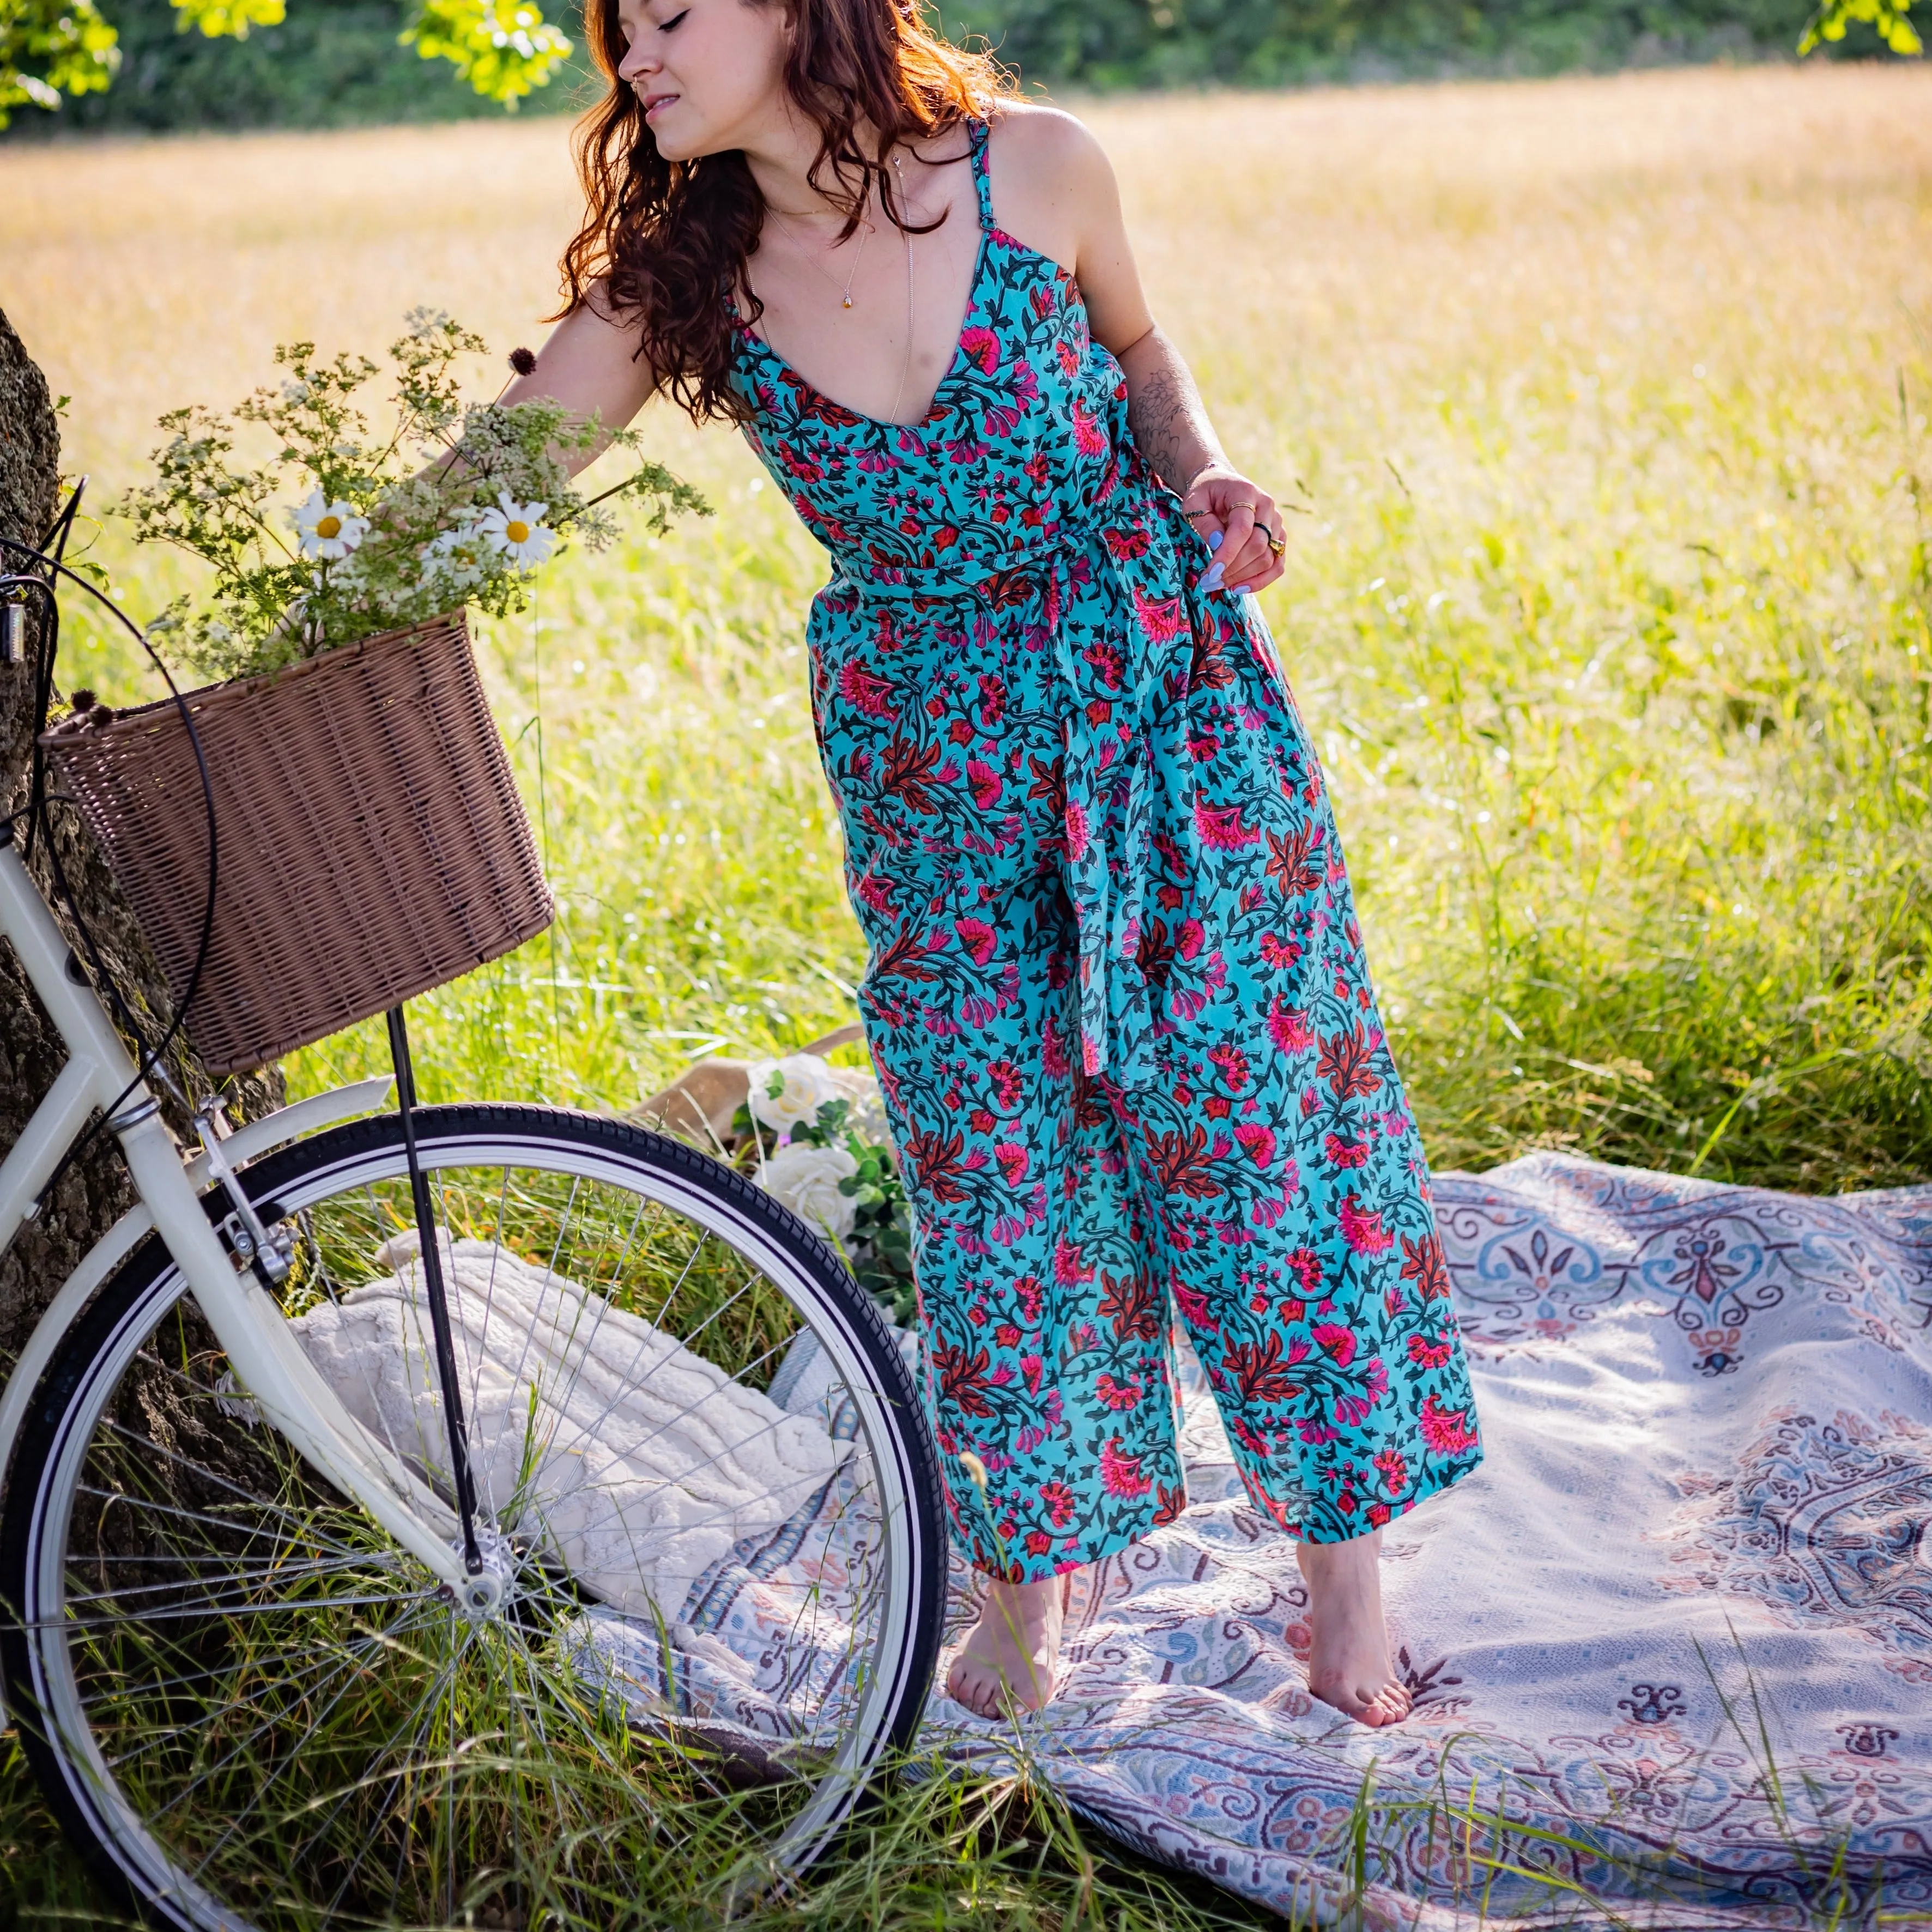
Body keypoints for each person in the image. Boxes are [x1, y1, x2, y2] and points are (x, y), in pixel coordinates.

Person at [506, 0, 1483, 1728]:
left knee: (1255, 1117)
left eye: (670, 15)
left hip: (1163, 706)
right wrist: (330, 596)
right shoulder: (677, 278)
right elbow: (493, 480)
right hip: (930, 768)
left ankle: (1346, 1588)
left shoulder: (1039, 170)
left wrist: (1209, 469)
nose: (635, 56)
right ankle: (1030, 1598)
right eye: (619, 29)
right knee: (991, 1168)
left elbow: (1140, 353)